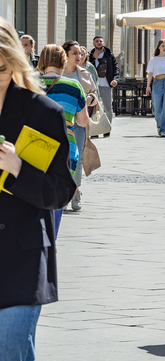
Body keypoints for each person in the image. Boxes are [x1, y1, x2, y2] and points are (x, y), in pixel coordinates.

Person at [0, 18, 76, 361]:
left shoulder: (42, 112)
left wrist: (18, 169)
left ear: (14, 62)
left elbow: (62, 190)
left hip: (22, 255)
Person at [38, 44, 90, 237]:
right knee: (58, 191)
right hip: (65, 143)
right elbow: (82, 121)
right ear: (63, 61)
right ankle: (52, 235)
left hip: (35, 141)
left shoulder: (29, 83)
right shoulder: (74, 86)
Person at [63, 40, 98, 211]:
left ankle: (76, 190)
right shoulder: (57, 73)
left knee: (76, 158)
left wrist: (90, 99)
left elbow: (93, 93)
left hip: (78, 122)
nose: (79, 56)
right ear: (66, 55)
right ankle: (62, 191)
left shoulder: (84, 73)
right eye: (74, 53)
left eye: (80, 53)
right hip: (59, 121)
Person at [88, 36, 118, 138]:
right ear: (93, 44)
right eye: (97, 41)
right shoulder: (90, 55)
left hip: (106, 85)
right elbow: (86, 68)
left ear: (103, 42)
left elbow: (116, 68)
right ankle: (94, 131)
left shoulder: (109, 55)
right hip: (93, 86)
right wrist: (93, 58)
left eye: (100, 41)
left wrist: (115, 79)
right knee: (93, 107)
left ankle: (106, 129)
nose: (99, 43)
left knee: (108, 108)